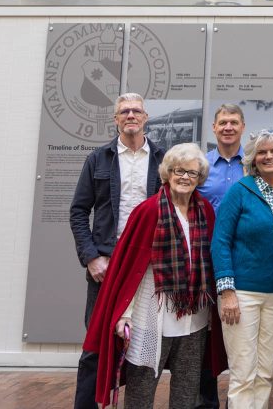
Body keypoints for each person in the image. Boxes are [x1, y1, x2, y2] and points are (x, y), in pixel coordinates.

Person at [83, 143, 227, 409]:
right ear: (167, 174)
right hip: (151, 315)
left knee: (187, 390)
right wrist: (125, 313)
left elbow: (211, 260)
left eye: (192, 173)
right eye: (179, 171)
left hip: (194, 317)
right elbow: (130, 270)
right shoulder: (147, 211)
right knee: (142, 388)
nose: (185, 177)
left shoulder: (205, 210)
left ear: (200, 178)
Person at [70, 93, 165, 409]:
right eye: (124, 111)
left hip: (149, 267)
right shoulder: (98, 160)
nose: (130, 116)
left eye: (136, 110)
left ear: (145, 117)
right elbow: (79, 211)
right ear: (115, 119)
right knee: (96, 346)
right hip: (107, 266)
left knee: (142, 343)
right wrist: (91, 257)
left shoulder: (163, 160)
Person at [212, 130, 273, 409]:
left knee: (265, 372)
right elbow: (220, 242)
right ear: (252, 159)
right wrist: (227, 292)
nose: (269, 156)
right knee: (242, 373)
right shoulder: (240, 190)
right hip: (242, 294)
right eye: (262, 152)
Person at [197, 103, 247, 408]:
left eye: (234, 122)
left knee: (239, 329)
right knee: (204, 332)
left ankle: (237, 400)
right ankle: (206, 400)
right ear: (214, 129)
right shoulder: (201, 166)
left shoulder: (252, 166)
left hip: (241, 260)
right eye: (222, 123)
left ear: (242, 127)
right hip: (204, 260)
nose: (228, 127)